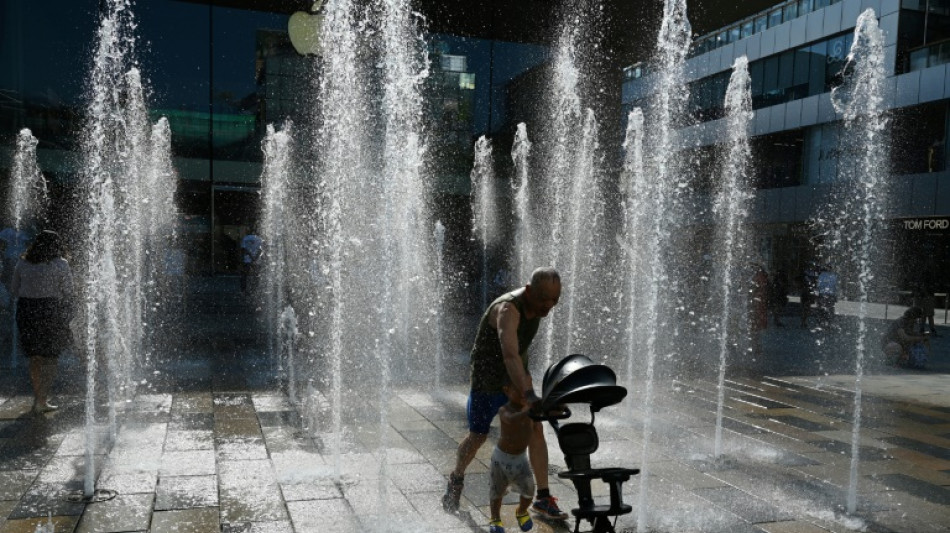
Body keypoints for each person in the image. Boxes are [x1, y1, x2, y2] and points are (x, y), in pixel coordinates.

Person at [442, 267, 567, 520]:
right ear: (529, 290)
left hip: (515, 378)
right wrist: (530, 394)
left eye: (555, 299)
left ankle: (543, 497)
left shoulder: (539, 306)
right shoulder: (508, 310)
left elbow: (520, 354)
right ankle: (456, 477)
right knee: (478, 436)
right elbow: (509, 353)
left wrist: (527, 389)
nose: (549, 305)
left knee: (535, 428)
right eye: (544, 298)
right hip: (487, 380)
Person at [10, 230, 74, 415]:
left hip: (27, 310)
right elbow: (68, 290)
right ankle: (42, 399)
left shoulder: (22, 263)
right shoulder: (61, 264)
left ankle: (38, 396)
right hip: (50, 310)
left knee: (35, 356)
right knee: (51, 356)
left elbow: (14, 289)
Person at [487, 375, 536, 533]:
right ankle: (495, 518)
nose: (523, 393)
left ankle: (521, 511)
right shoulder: (505, 410)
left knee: (529, 490)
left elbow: (546, 410)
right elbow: (511, 420)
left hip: (521, 459)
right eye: (518, 389)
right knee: (497, 492)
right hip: (501, 460)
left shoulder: (529, 408)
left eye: (526, 389)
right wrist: (526, 412)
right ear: (506, 391)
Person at [912, 260, 940, 336]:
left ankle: (924, 329)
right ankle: (929, 329)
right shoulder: (929, 274)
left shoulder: (922, 274)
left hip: (925, 295)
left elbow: (919, 284)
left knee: (925, 314)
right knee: (928, 314)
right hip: (926, 295)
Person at [240, 229, 263, 294]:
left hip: (247, 260)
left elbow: (243, 249)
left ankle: (244, 290)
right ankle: (255, 290)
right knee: (256, 275)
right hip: (256, 260)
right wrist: (255, 258)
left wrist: (250, 256)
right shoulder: (259, 239)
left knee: (244, 275)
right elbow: (260, 250)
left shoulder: (245, 238)